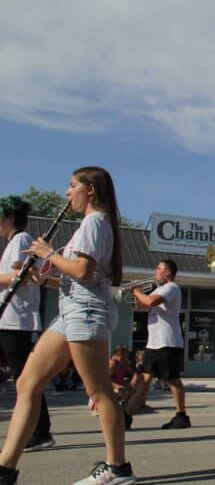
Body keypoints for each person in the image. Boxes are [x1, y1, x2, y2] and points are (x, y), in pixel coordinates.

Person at [0, 166, 136, 485]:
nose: (66, 192)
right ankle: (5, 468)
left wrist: (48, 252)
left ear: (90, 189)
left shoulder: (95, 222)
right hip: (71, 310)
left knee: (99, 390)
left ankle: (118, 469)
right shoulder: (88, 225)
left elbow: (84, 271)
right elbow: (74, 275)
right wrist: (41, 277)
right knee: (27, 383)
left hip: (86, 311)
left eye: (72, 185)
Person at [0, 196, 54, 453]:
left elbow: (19, 277)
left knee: (27, 378)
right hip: (7, 319)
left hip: (17, 321)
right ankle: (38, 429)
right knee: (25, 378)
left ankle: (41, 430)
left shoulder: (21, 240)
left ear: (10, 217)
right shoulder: (11, 243)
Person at [123, 260, 189, 430]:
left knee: (173, 380)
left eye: (160, 269)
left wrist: (137, 290)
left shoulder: (171, 288)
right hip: (154, 343)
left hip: (168, 342)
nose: (156, 271)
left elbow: (151, 302)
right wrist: (135, 296)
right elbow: (144, 306)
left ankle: (181, 415)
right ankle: (126, 415)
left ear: (168, 273)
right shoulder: (158, 289)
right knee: (144, 379)